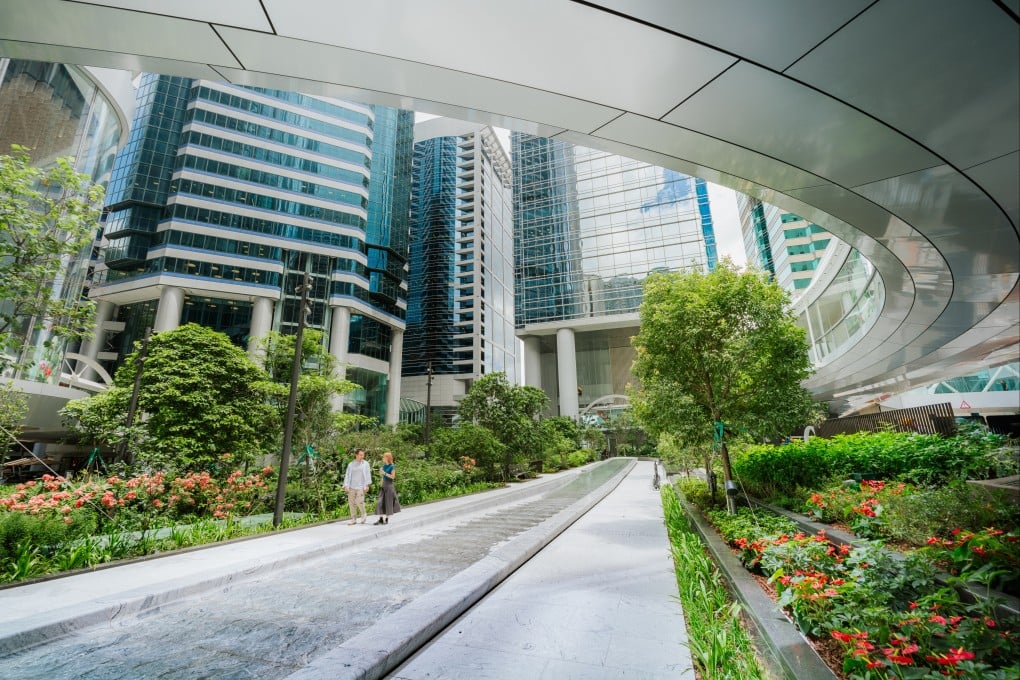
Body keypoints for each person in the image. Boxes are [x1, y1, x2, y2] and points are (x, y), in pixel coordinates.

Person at [342, 448, 371, 525]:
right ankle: (353, 519)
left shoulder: (365, 464)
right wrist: (346, 485)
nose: (362, 456)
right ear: (356, 455)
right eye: (361, 455)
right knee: (351, 503)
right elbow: (347, 475)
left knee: (360, 502)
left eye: (363, 455)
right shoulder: (351, 464)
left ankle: (363, 514)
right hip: (351, 486)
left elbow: (368, 475)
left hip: (361, 486)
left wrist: (367, 485)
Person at [373, 451, 401, 525]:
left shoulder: (392, 466)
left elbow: (393, 477)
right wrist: (381, 482)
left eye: (383, 457)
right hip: (383, 486)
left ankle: (386, 519)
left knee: (388, 503)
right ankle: (381, 519)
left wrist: (384, 473)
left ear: (387, 458)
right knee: (379, 502)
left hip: (389, 486)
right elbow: (383, 476)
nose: (382, 458)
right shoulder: (383, 466)